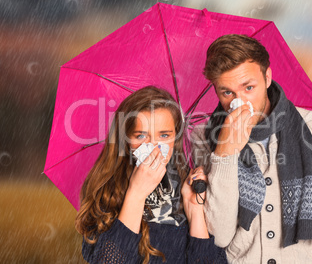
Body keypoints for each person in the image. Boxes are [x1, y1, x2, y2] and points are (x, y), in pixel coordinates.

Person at [190, 34, 312, 263]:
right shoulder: (203, 138)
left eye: (249, 87)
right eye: (227, 92)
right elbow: (218, 235)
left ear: (267, 77)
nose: (239, 102)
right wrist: (225, 152)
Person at [75, 86, 227, 263]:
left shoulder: (190, 187)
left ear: (175, 139)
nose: (153, 145)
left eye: (163, 135)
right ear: (125, 140)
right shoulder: (108, 193)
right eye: (141, 136)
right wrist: (136, 194)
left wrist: (195, 212)